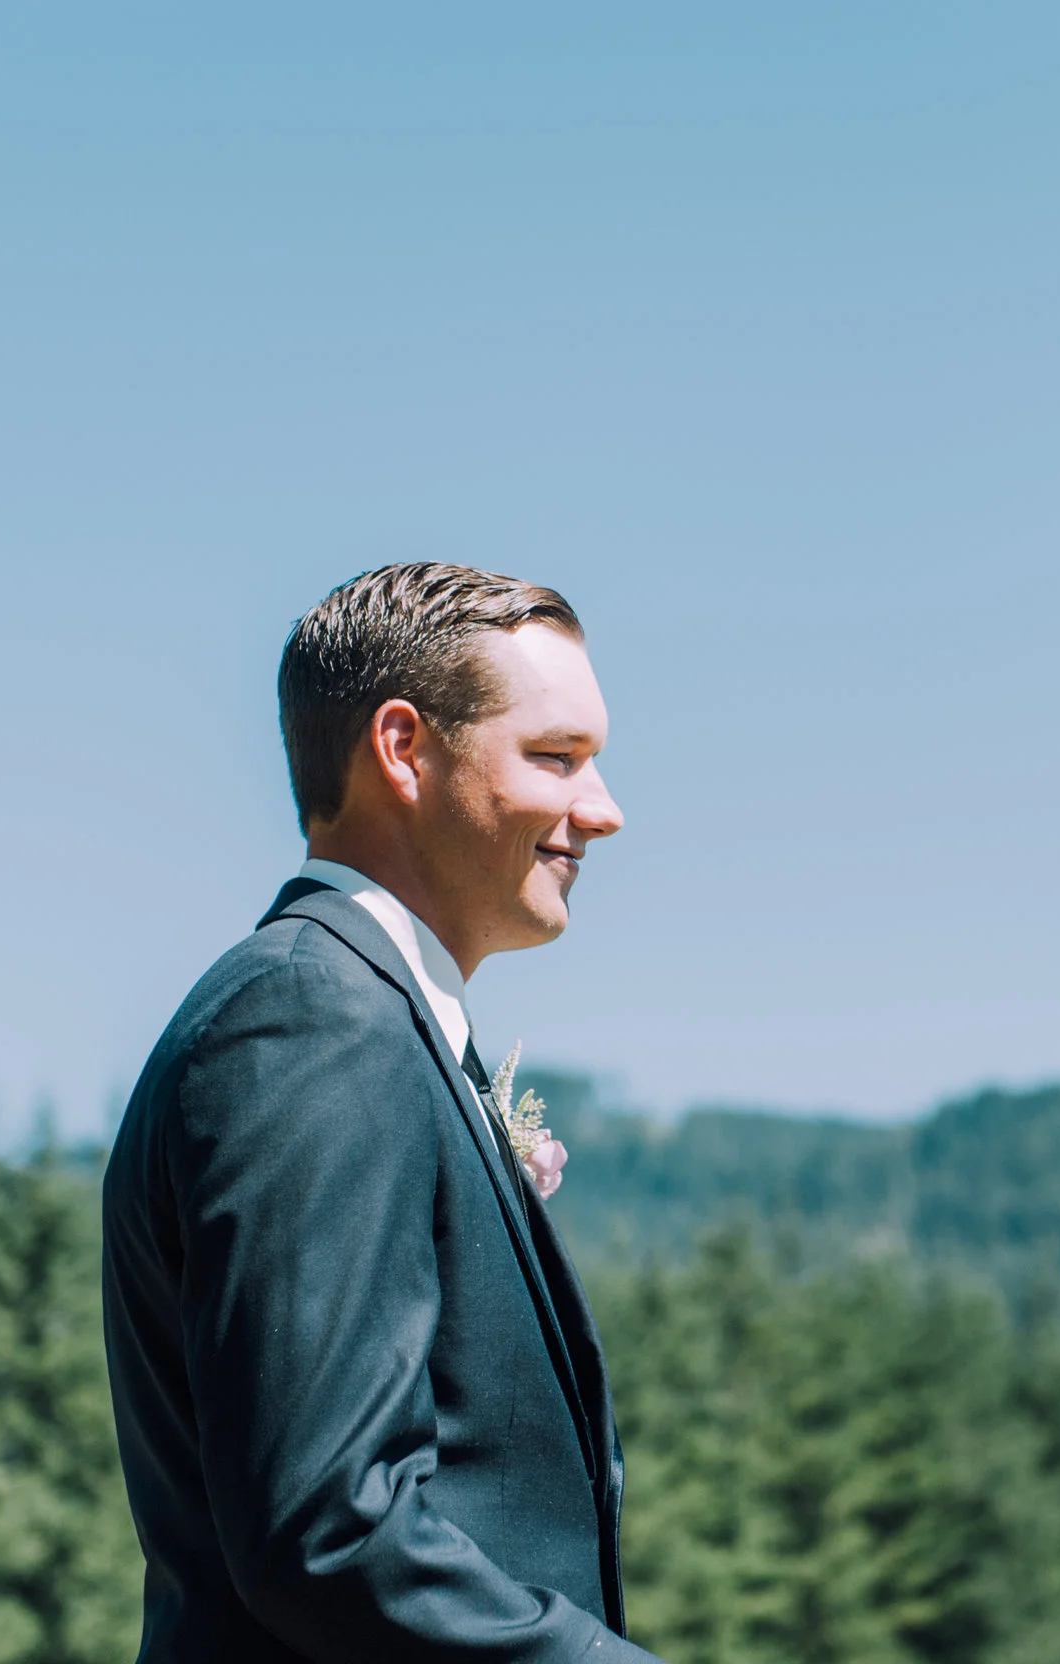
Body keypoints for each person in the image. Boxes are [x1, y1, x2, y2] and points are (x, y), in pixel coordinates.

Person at [101, 563, 662, 1664]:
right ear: (402, 748)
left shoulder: (351, 1015)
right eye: (555, 757)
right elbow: (330, 1528)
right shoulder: (311, 1017)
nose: (603, 810)